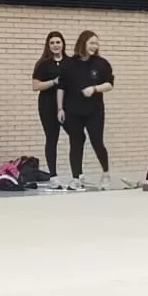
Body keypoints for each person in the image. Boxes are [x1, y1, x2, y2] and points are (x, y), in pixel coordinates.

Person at [60, 29, 114, 188]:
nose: (94, 46)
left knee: (97, 141)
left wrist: (94, 89)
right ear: (82, 43)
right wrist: (60, 108)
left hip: (94, 110)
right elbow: (61, 87)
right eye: (91, 43)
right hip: (73, 110)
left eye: (96, 43)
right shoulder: (69, 64)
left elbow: (109, 84)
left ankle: (105, 173)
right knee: (76, 142)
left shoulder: (101, 63)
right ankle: (76, 177)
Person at [31, 30, 69, 177]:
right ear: (48, 45)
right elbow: (36, 86)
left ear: (63, 44)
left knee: (76, 136)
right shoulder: (43, 64)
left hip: (67, 105)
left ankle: (77, 175)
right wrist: (54, 82)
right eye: (52, 43)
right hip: (47, 105)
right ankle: (53, 175)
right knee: (52, 139)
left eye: (58, 42)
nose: (55, 45)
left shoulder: (70, 62)